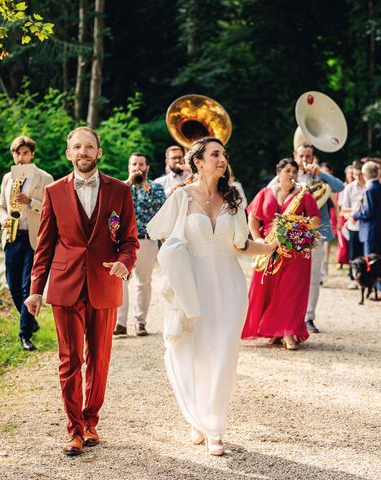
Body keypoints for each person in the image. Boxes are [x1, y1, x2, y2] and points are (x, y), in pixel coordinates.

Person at [146, 137, 276, 456]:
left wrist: (274, 245)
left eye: (224, 154)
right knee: (193, 351)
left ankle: (215, 427)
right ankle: (196, 417)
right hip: (195, 283)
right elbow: (160, 233)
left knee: (223, 352)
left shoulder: (233, 199)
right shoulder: (180, 197)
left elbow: (241, 244)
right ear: (198, 162)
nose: (222, 159)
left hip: (229, 285)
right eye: (214, 154)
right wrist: (179, 262)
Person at [24, 127, 139, 456]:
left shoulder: (119, 191)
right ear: (68, 153)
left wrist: (124, 262)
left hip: (104, 285)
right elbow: (44, 246)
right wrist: (35, 290)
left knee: (99, 360)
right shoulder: (53, 192)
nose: (84, 152)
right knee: (70, 361)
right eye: (77, 147)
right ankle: (74, 429)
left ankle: (91, 422)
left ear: (99, 153)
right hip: (65, 286)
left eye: (89, 147)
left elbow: (129, 239)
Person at [242, 158, 321, 350]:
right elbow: (253, 216)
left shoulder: (304, 195)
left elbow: (316, 221)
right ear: (278, 173)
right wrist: (257, 238)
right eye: (287, 171)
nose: (292, 174)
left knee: (291, 292)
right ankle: (275, 331)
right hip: (269, 247)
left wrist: (297, 227)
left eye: (295, 171)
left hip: (295, 250)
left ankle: (288, 332)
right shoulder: (265, 192)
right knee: (268, 289)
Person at [0, 135, 53, 351]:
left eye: (25, 153)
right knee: (12, 286)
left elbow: (50, 207)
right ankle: (30, 320)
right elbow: (1, 206)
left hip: (33, 238)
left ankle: (25, 335)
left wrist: (31, 202)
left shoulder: (45, 177)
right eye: (17, 153)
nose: (21, 157)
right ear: (14, 155)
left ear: (32, 154)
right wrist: (4, 220)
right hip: (11, 237)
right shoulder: (7, 178)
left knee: (26, 288)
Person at [114, 152, 166, 337]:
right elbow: (112, 211)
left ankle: (140, 323)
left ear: (147, 167)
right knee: (121, 281)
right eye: (134, 164)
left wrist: (146, 188)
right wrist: (129, 182)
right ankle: (120, 323)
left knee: (143, 283)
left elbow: (161, 210)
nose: (138, 167)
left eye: (141, 164)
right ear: (129, 167)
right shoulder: (119, 187)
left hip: (146, 240)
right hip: (122, 242)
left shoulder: (157, 188)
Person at [295, 143, 344, 333]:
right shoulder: (290, 173)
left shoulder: (319, 177)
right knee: (293, 277)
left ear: (313, 157)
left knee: (313, 278)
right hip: (294, 232)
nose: (305, 160)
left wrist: (321, 174)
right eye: (301, 156)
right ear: (295, 156)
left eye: (308, 156)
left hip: (316, 232)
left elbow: (339, 186)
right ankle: (293, 316)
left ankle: (309, 317)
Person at [353, 161, 381, 298]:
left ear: (363, 175)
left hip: (369, 230)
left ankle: (377, 290)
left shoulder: (369, 190)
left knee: (370, 263)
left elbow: (367, 212)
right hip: (380, 229)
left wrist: (355, 214)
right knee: (379, 260)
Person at [339, 160, 367, 289]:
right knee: (353, 252)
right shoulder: (349, 188)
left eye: (360, 174)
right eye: (355, 174)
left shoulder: (369, 186)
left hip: (366, 224)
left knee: (365, 252)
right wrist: (352, 215)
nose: (358, 177)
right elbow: (344, 208)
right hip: (354, 225)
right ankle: (352, 277)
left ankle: (365, 277)